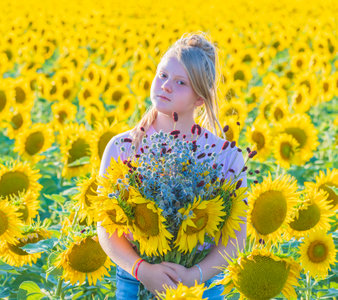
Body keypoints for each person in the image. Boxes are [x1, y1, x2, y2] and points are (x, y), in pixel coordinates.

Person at [97, 32, 247, 299]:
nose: (165, 86)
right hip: (134, 281)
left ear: (200, 98)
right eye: (162, 75)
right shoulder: (122, 147)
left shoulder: (227, 157)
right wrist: (142, 270)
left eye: (180, 82)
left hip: (204, 285)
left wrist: (194, 276)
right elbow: (105, 227)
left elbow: (235, 240)